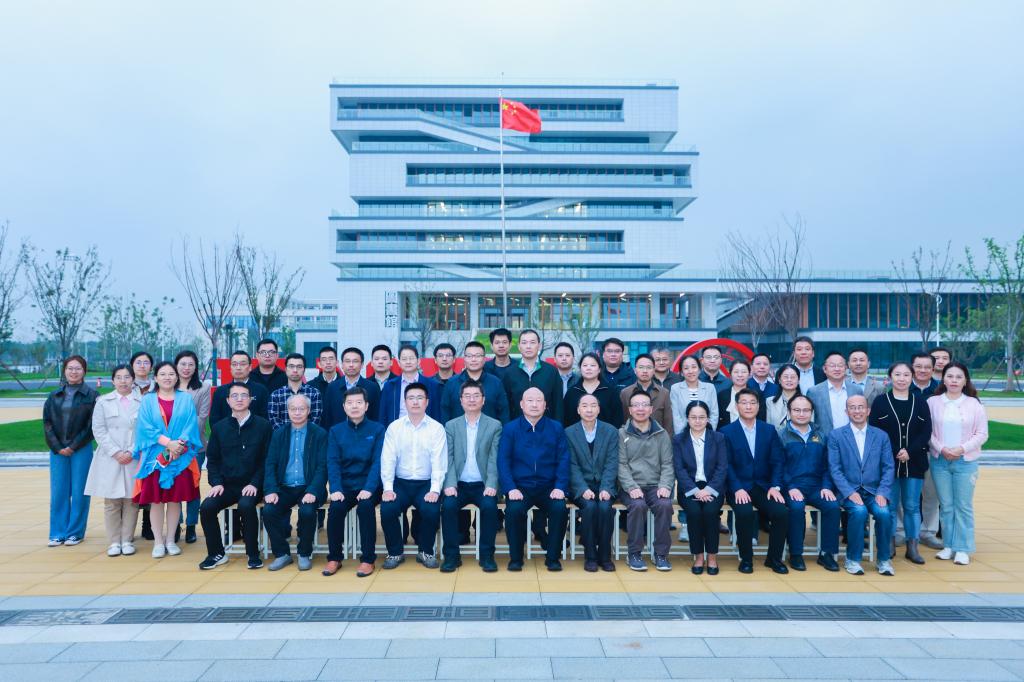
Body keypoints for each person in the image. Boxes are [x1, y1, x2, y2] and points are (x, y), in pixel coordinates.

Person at [198, 381, 272, 570]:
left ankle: (253, 554)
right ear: (228, 401)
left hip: (253, 484)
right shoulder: (220, 428)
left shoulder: (263, 426)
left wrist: (255, 483)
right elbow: (213, 460)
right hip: (227, 485)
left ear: (250, 399)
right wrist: (216, 483)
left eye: (244, 395)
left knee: (246, 505)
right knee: (206, 508)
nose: (239, 399)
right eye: (235, 396)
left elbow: (267, 460)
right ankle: (216, 553)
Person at [133, 361, 202, 559]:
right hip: (155, 458)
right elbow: (145, 427)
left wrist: (177, 446)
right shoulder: (148, 400)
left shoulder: (185, 399)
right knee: (156, 501)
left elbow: (190, 425)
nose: (167, 377)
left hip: (179, 457)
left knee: (174, 500)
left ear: (177, 377)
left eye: (171, 374)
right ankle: (158, 542)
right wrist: (168, 443)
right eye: (162, 374)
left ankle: (171, 540)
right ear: (155, 378)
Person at [498, 387, 570, 571]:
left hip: (548, 486)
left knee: (560, 509)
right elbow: (503, 461)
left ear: (545, 405)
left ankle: (553, 557)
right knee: (513, 511)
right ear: (522, 404)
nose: (534, 404)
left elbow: (564, 459)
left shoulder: (556, 428)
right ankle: (516, 558)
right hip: (521, 486)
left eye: (539, 401)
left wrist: (560, 487)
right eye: (530, 400)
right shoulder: (510, 429)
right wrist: (510, 488)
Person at [869, 362, 932, 564]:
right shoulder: (881, 402)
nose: (902, 379)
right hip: (888, 463)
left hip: (914, 462)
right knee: (889, 506)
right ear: (890, 378)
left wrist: (909, 451)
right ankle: (888, 543)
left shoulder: (920, 402)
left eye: (906, 375)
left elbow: (926, 432)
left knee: (912, 506)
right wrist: (896, 450)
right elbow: (875, 431)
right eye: (897, 374)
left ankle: (912, 546)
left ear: (912, 377)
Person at [379, 382, 447, 570]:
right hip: (400, 483)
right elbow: (388, 459)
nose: (415, 402)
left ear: (427, 402)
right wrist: (388, 488)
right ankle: (395, 552)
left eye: (419, 398)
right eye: (411, 398)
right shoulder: (394, 428)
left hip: (426, 483)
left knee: (431, 510)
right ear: (405, 402)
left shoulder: (436, 428)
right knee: (387, 509)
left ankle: (425, 551)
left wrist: (435, 490)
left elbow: (439, 462)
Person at [721, 388, 788, 574]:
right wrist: (737, 488)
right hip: (738, 486)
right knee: (744, 513)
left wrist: (775, 486)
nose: (748, 406)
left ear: (758, 406)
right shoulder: (726, 431)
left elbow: (777, 461)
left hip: (763, 486)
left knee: (781, 512)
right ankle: (746, 559)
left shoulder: (768, 430)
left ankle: (774, 559)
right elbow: (726, 465)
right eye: (744, 403)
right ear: (737, 406)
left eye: (752, 402)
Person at [928, 362, 988, 566]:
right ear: (943, 379)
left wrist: (961, 449)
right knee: (946, 505)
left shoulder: (974, 404)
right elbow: (928, 431)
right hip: (940, 460)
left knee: (963, 506)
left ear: (965, 381)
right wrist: (942, 448)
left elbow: (982, 434)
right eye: (950, 376)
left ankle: (963, 548)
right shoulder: (932, 402)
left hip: (966, 461)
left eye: (959, 377)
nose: (954, 380)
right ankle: (948, 546)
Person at [828, 395, 896, 576]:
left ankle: (884, 560)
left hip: (874, 491)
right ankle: (853, 559)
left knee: (884, 513)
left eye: (861, 407)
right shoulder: (836, 435)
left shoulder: (881, 436)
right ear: (846, 411)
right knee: (859, 512)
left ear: (868, 411)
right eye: (852, 407)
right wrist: (849, 492)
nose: (857, 411)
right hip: (848, 491)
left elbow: (888, 467)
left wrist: (882, 492)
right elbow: (835, 469)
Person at [441, 380, 502, 572]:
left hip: (483, 484)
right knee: (448, 507)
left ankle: (487, 556)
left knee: (490, 508)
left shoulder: (494, 425)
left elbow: (494, 459)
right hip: (458, 484)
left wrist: (491, 484)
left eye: (476, 396)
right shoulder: (451, 426)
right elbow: (448, 458)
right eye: (467, 396)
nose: (472, 400)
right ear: (460, 400)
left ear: (483, 400)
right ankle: (451, 556)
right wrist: (450, 484)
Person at [324, 386, 384, 578]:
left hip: (370, 485)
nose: (354, 406)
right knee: (335, 508)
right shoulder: (336, 431)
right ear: (344, 407)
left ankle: (367, 559)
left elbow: (378, 462)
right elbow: (332, 461)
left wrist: (369, 488)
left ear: (366, 406)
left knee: (365, 507)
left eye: (359, 402)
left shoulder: (377, 429)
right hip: (345, 485)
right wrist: (335, 488)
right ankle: (334, 557)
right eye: (350, 403)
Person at [263, 394, 328, 571]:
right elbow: (270, 463)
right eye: (293, 409)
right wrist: (271, 489)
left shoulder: (319, 434)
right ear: (288, 411)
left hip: (308, 487)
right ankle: (282, 554)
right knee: (269, 511)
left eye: (301, 409)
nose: (297, 412)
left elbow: (323, 466)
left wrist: (313, 490)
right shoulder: (279, 434)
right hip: (283, 487)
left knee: (307, 512)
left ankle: (304, 553)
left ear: (308, 411)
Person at [777, 395, 840, 572]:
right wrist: (790, 487)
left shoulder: (821, 435)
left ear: (812, 412)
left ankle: (827, 553)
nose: (801, 414)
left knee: (832, 506)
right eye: (797, 410)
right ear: (789, 412)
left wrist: (827, 486)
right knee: (796, 508)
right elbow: (778, 466)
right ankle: (796, 553)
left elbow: (828, 465)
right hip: (792, 486)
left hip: (817, 486)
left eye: (806, 410)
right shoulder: (781, 435)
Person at [43, 355, 99, 547]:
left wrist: (73, 446)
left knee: (80, 491)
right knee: (59, 491)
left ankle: (75, 532)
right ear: (64, 370)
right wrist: (58, 447)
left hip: (81, 449)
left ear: (84, 371)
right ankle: (57, 532)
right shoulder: (54, 396)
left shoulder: (92, 396)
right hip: (57, 450)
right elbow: (47, 423)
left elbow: (92, 426)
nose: (74, 372)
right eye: (70, 368)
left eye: (78, 368)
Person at [85, 364, 139, 556]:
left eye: (127, 377)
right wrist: (116, 452)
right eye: (119, 377)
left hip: (133, 456)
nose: (123, 381)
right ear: (113, 380)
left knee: (131, 500)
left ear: (133, 380)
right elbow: (98, 429)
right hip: (110, 456)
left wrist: (131, 451)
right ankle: (114, 541)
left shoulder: (142, 402)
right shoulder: (103, 401)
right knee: (112, 500)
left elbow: (145, 430)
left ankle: (127, 540)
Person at [618, 389, 675, 572]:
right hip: (631, 486)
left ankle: (661, 554)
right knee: (638, 506)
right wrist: (631, 486)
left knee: (665, 505)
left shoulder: (662, 434)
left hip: (655, 486)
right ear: (630, 409)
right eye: (636, 405)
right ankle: (634, 553)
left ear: (651, 409)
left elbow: (668, 464)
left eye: (644, 405)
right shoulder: (621, 434)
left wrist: (665, 485)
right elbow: (621, 465)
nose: (640, 409)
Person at [672, 400, 727, 575]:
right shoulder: (679, 440)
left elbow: (722, 467)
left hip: (713, 487)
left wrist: (708, 490)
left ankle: (712, 556)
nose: (697, 421)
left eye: (701, 417)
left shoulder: (718, 438)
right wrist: (696, 491)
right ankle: (698, 556)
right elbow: (679, 469)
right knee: (694, 513)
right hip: (689, 488)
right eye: (693, 417)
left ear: (708, 419)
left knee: (710, 513)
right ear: (687, 419)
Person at [566, 394, 619, 572]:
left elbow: (612, 462)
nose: (589, 410)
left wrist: (606, 488)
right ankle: (590, 555)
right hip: (580, 486)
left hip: (605, 484)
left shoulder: (610, 431)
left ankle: (604, 555)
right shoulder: (569, 433)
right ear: (578, 410)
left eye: (593, 405)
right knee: (589, 508)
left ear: (599, 409)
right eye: (584, 406)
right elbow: (572, 465)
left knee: (605, 508)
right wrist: (582, 488)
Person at [176, 350, 211, 545]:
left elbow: (201, 418)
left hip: (194, 447)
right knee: (173, 485)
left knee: (192, 485)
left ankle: (190, 525)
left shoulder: (203, 388)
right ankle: (175, 524)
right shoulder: (168, 386)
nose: (186, 368)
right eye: (183, 364)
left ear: (196, 367)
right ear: (176, 365)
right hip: (169, 447)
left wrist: (180, 437)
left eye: (190, 364)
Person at [910, 351, 942, 549]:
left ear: (933, 369)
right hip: (905, 452)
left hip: (933, 450)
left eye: (927, 367)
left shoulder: (940, 391)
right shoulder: (902, 387)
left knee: (931, 494)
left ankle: (928, 532)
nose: (923, 370)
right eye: (918, 366)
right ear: (912, 367)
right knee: (905, 495)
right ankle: (901, 531)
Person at [441, 341, 509, 423]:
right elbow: (445, 413)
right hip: (458, 431)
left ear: (484, 359)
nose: (473, 359)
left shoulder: (496, 383)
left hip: (489, 431)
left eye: (478, 356)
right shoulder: (451, 383)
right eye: (469, 356)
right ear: (464, 359)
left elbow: (504, 414)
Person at [503, 329, 563, 422]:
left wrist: (557, 427)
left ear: (539, 346)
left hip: (546, 425)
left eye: (532, 342)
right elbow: (506, 405)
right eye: (524, 343)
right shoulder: (510, 372)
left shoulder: (551, 371)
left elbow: (558, 404)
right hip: (517, 426)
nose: (528, 346)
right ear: (519, 346)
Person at [378, 345, 443, 427]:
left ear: (418, 361)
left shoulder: (432, 385)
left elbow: (437, 414)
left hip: (425, 430)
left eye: (411, 358)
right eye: (404, 359)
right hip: (397, 431)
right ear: (399, 363)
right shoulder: (390, 386)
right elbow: (383, 415)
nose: (408, 362)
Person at [805, 352, 863, 437]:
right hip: (824, 440)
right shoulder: (814, 392)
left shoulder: (856, 390)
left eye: (840, 365)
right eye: (832, 365)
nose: (837, 369)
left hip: (852, 439)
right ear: (825, 369)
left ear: (846, 368)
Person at [323, 346, 381, 427]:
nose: (351, 365)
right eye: (347, 361)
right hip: (338, 433)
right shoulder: (332, 387)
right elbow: (326, 417)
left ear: (362, 365)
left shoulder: (372, 387)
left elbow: (376, 416)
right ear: (342, 365)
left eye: (355, 361)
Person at [209, 351, 269, 425]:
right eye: (234, 364)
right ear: (230, 367)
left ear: (250, 367)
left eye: (243, 364)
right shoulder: (220, 391)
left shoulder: (261, 390)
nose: (238, 368)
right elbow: (214, 420)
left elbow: (265, 419)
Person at [564, 352, 623, 427]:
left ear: (599, 369)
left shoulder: (611, 392)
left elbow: (617, 418)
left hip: (606, 433)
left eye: (593, 365)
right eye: (585, 365)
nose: (588, 368)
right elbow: (566, 418)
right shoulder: (572, 392)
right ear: (580, 369)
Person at [619, 353, 672, 434]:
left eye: (649, 367)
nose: (645, 371)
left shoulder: (664, 393)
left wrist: (666, 439)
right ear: (635, 370)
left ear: (654, 370)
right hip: (633, 437)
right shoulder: (626, 393)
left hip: (657, 438)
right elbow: (624, 420)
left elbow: (668, 421)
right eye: (641, 367)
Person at [268, 353, 323, 429]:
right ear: (285, 369)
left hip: (309, 435)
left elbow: (315, 420)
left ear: (304, 370)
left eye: (299, 367)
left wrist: (302, 434)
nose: (295, 370)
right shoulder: (276, 395)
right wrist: (289, 434)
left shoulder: (314, 393)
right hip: (283, 436)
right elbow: (274, 421)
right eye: (291, 366)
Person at [669, 355, 719, 435]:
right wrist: (682, 436)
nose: (690, 371)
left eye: (694, 367)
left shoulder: (710, 388)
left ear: (699, 370)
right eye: (686, 368)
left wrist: (708, 433)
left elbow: (714, 414)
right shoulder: (675, 389)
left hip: (707, 434)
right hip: (684, 435)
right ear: (681, 373)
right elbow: (676, 416)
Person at [716, 360, 765, 429]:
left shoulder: (758, 394)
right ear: (730, 374)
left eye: (744, 372)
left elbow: (761, 418)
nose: (740, 375)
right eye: (736, 372)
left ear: (749, 374)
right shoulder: (722, 395)